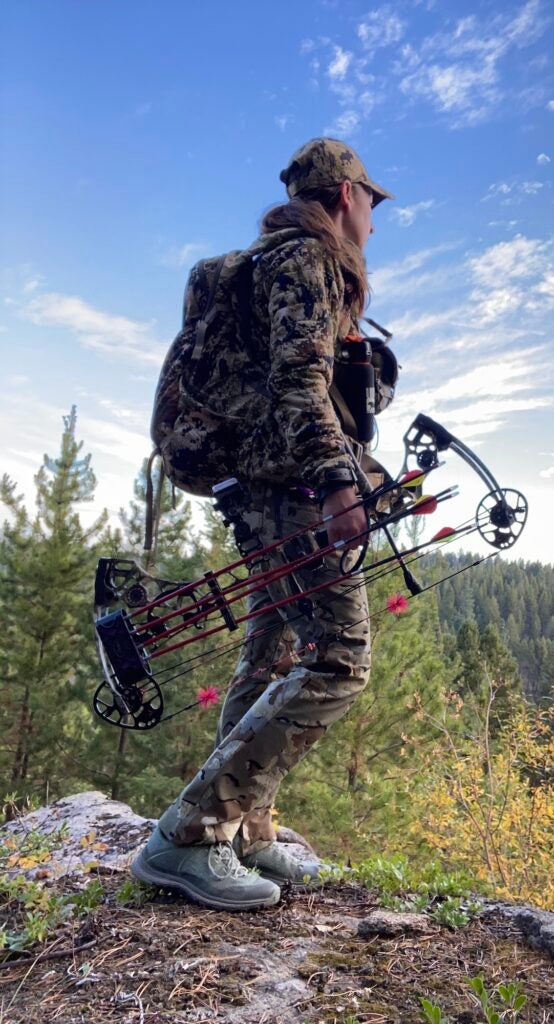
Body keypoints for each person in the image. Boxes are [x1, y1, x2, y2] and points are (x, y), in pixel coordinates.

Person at [131, 138, 394, 910]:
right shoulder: (309, 260)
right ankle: (189, 836)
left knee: (271, 654)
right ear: (345, 194)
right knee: (340, 660)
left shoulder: (256, 265)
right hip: (291, 486)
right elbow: (298, 380)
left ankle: (246, 829)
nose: (373, 218)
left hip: (254, 483)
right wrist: (339, 483)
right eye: (370, 202)